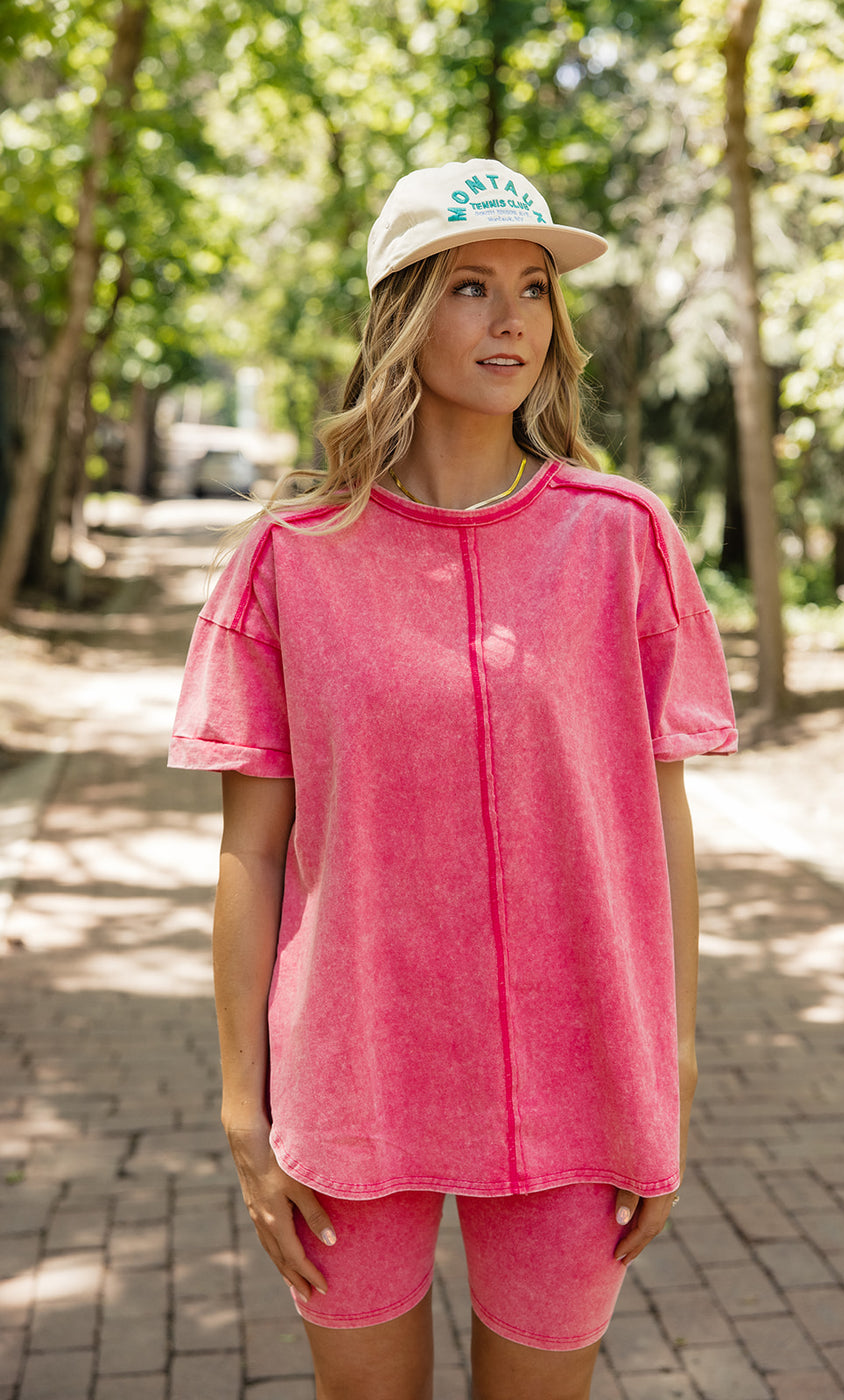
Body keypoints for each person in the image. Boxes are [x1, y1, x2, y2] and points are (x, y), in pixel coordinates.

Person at [169, 157, 737, 1400]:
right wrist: (239, 1109)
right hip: (351, 1077)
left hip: (582, 1071)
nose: (514, 316)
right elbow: (251, 852)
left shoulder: (622, 536)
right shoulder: (288, 559)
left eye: (533, 287)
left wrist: (672, 1060)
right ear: (400, 313)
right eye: (471, 285)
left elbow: (658, 821)